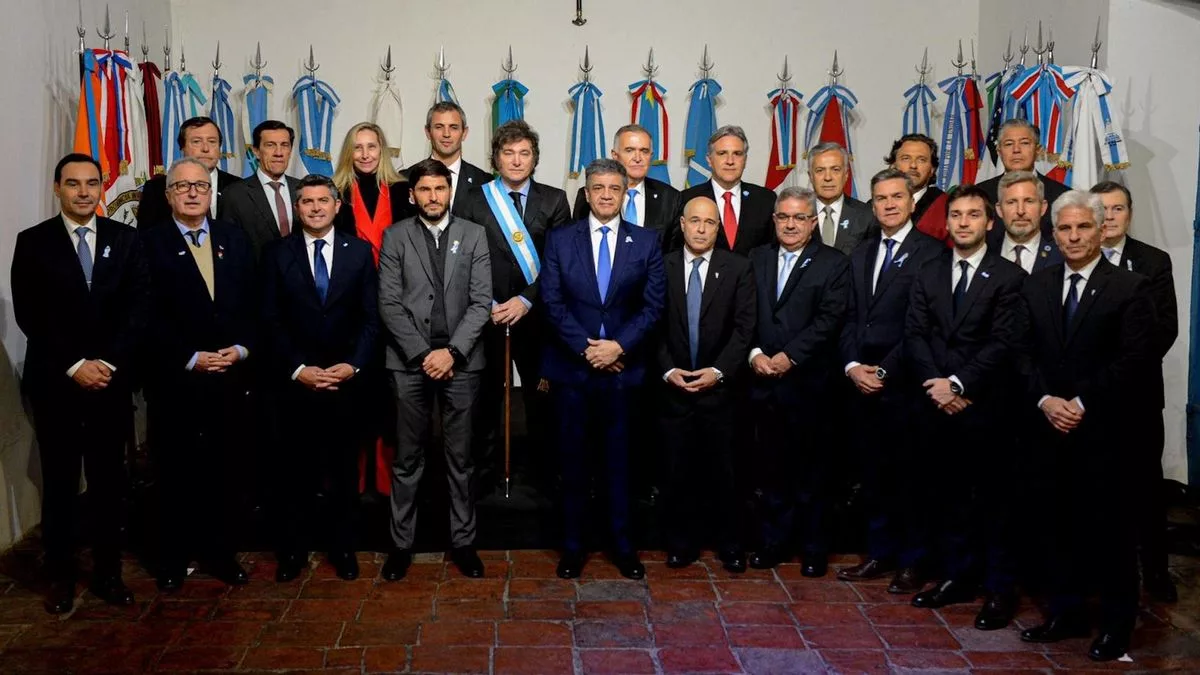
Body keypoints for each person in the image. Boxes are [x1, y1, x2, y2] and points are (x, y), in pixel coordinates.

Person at [1016, 190, 1156, 662]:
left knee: (1111, 533)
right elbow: (1022, 353)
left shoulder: (1129, 288)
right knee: (1057, 526)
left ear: (1101, 230)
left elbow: (1135, 360)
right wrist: (1045, 400)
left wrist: (1079, 401)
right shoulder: (1037, 284)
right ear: (1053, 234)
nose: (1074, 237)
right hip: (1049, 427)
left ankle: (1116, 626)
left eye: (1083, 228)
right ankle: (1065, 613)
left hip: (1105, 433)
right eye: (1065, 229)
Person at [12, 153, 149, 613]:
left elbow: (138, 308)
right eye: (74, 184)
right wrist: (75, 364)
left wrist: (106, 362)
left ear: (102, 186)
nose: (84, 192)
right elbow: (30, 313)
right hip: (57, 383)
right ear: (58, 189)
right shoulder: (32, 242)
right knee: (61, 483)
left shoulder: (125, 239)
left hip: (110, 382)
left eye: (92, 183)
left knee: (110, 484)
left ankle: (108, 574)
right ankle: (61, 576)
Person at [904, 185, 1027, 630]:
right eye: (956, 214)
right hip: (935, 404)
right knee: (947, 496)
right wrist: (938, 386)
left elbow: (1004, 342)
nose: (963, 222)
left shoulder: (1010, 277)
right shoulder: (928, 270)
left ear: (989, 223)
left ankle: (998, 590)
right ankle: (957, 576)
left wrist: (958, 383)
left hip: (985, 406)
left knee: (993, 503)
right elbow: (915, 332)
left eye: (973, 215)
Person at [540, 158, 665, 580]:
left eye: (615, 187)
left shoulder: (647, 242)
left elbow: (653, 307)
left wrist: (618, 347)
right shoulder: (560, 240)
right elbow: (551, 302)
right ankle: (573, 547)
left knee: (620, 465)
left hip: (623, 374)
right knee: (573, 465)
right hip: (573, 373)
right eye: (599, 187)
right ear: (587, 193)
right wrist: (586, 349)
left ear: (625, 192)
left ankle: (623, 547)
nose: (607, 194)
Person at [140, 157, 256, 591]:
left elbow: (251, 303)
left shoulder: (234, 239)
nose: (192, 193)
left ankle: (219, 552)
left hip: (230, 376)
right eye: (182, 186)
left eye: (201, 186)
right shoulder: (147, 244)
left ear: (212, 194)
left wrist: (243, 349)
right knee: (174, 471)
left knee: (224, 471)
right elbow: (144, 316)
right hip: (177, 379)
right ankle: (171, 557)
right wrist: (189, 357)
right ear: (168, 194)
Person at [260, 174, 379, 583]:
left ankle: (343, 548)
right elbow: (270, 320)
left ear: (336, 206)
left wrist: (354, 364)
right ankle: (293, 552)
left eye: (322, 201)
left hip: (345, 382)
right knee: (295, 473)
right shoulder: (276, 254)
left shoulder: (360, 253)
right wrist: (298, 369)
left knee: (344, 473)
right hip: (296, 383)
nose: (315, 208)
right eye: (307, 202)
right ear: (298, 208)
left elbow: (370, 317)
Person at [377, 159, 492, 581]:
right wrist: (423, 354)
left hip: (462, 363)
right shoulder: (395, 236)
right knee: (408, 458)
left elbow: (482, 303)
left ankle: (464, 544)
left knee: (461, 459)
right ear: (412, 195)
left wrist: (452, 354)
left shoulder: (474, 235)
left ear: (449, 192)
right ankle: (400, 546)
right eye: (424, 190)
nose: (432, 197)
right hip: (410, 363)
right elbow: (388, 303)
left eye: (439, 189)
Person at [836, 168, 942, 593]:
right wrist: (852, 366)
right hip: (861, 384)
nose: (889, 204)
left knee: (911, 478)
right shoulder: (861, 253)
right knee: (874, 475)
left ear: (913, 201)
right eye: (880, 198)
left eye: (897, 196)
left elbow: (924, 325)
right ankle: (879, 553)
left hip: (904, 384)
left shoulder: (932, 253)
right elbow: (846, 318)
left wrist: (884, 370)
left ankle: (913, 561)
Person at [460, 120, 571, 492]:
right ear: (496, 158)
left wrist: (526, 300)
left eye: (525, 153)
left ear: (535, 159)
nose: (517, 160)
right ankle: (487, 473)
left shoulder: (555, 200)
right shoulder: (475, 199)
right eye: (509, 153)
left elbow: (560, 262)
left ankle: (542, 473)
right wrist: (488, 303)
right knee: (488, 395)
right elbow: (466, 260)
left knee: (541, 400)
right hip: (487, 313)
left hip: (536, 315)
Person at [745, 187, 851, 577]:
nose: (790, 224)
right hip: (761, 383)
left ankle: (812, 548)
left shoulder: (834, 263)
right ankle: (774, 543)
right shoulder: (755, 258)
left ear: (812, 222)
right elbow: (745, 312)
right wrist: (755, 353)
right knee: (770, 471)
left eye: (799, 218)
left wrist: (790, 356)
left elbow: (830, 318)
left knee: (812, 474)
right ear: (774, 220)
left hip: (810, 386)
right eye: (783, 217)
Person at [657, 196, 755, 573]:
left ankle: (730, 544)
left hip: (722, 392)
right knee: (677, 472)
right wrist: (668, 370)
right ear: (681, 224)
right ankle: (682, 544)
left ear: (719, 227)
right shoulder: (662, 267)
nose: (700, 229)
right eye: (694, 221)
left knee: (724, 473)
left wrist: (719, 371)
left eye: (709, 222)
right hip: (673, 389)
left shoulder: (738, 268)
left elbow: (745, 328)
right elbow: (654, 325)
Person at [1091, 180, 1179, 604]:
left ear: (1130, 214)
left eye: (1117, 209)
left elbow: (1164, 329)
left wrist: (1119, 372)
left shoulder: (1152, 261)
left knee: (1145, 487)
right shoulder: (1076, 257)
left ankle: (1157, 572)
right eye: (1102, 209)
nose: (1109, 217)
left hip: (1137, 396)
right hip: (1086, 397)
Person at [572, 124, 682, 248]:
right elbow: (578, 243)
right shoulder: (590, 194)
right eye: (629, 150)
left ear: (651, 156)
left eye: (644, 151)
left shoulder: (670, 197)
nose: (638, 158)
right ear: (615, 155)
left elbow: (673, 253)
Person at [674, 126, 776, 254]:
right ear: (709, 160)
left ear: (745, 160)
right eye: (722, 153)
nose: (730, 161)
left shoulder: (766, 199)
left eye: (737, 154)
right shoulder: (687, 199)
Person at [333, 121, 416, 265]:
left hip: (395, 275)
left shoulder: (402, 189)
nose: (365, 155)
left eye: (371, 147)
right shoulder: (336, 191)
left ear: (381, 150)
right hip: (352, 275)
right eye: (357, 148)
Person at [138, 116, 240, 228]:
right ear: (182, 148)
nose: (205, 148)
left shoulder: (239, 187)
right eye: (197, 142)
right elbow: (146, 238)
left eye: (212, 142)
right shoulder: (156, 189)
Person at [222, 120, 301, 260]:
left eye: (284, 145)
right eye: (270, 145)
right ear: (256, 151)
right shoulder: (234, 194)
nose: (279, 153)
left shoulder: (302, 190)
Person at [975, 119, 1069, 229]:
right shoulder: (980, 194)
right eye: (1009, 144)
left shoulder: (1062, 196)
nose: (1016, 150)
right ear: (999, 152)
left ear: (1037, 150)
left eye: (1024, 143)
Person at [404, 102, 492, 217]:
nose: (446, 134)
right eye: (439, 127)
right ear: (428, 132)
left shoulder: (485, 182)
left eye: (453, 127)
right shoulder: (404, 180)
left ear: (464, 133)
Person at [808, 142, 875, 254]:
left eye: (835, 170)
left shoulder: (867, 215)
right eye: (820, 170)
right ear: (810, 176)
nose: (828, 177)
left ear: (846, 175)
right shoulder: (798, 215)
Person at [990, 171, 1063, 274]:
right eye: (1011, 202)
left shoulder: (1062, 255)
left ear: (1043, 207)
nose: (1020, 211)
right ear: (999, 210)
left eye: (1029, 201)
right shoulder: (986, 253)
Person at [886, 134, 947, 242]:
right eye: (906, 158)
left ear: (932, 169)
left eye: (921, 160)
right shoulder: (875, 206)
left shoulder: (946, 206)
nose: (913, 165)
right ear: (893, 166)